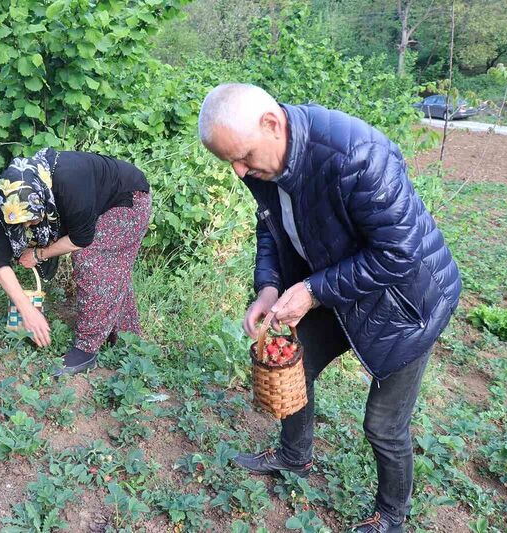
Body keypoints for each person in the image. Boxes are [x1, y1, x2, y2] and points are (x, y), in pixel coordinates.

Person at [198, 84, 461, 532]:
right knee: (295, 370)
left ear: (271, 124)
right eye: (230, 163)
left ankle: (392, 517)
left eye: (241, 156)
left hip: (407, 301)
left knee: (383, 424)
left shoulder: (355, 155)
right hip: (338, 281)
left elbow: (401, 252)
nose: (239, 171)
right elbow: (272, 228)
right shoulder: (263, 164)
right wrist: (269, 286)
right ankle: (293, 456)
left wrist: (314, 291)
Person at [0, 147, 151, 376]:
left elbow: (80, 239)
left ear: (42, 198)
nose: (28, 227)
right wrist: (26, 309)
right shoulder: (11, 198)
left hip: (127, 200)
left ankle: (86, 350)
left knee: (92, 261)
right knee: (113, 272)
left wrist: (38, 254)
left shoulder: (69, 182)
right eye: (22, 223)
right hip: (95, 203)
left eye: (33, 220)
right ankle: (128, 339)